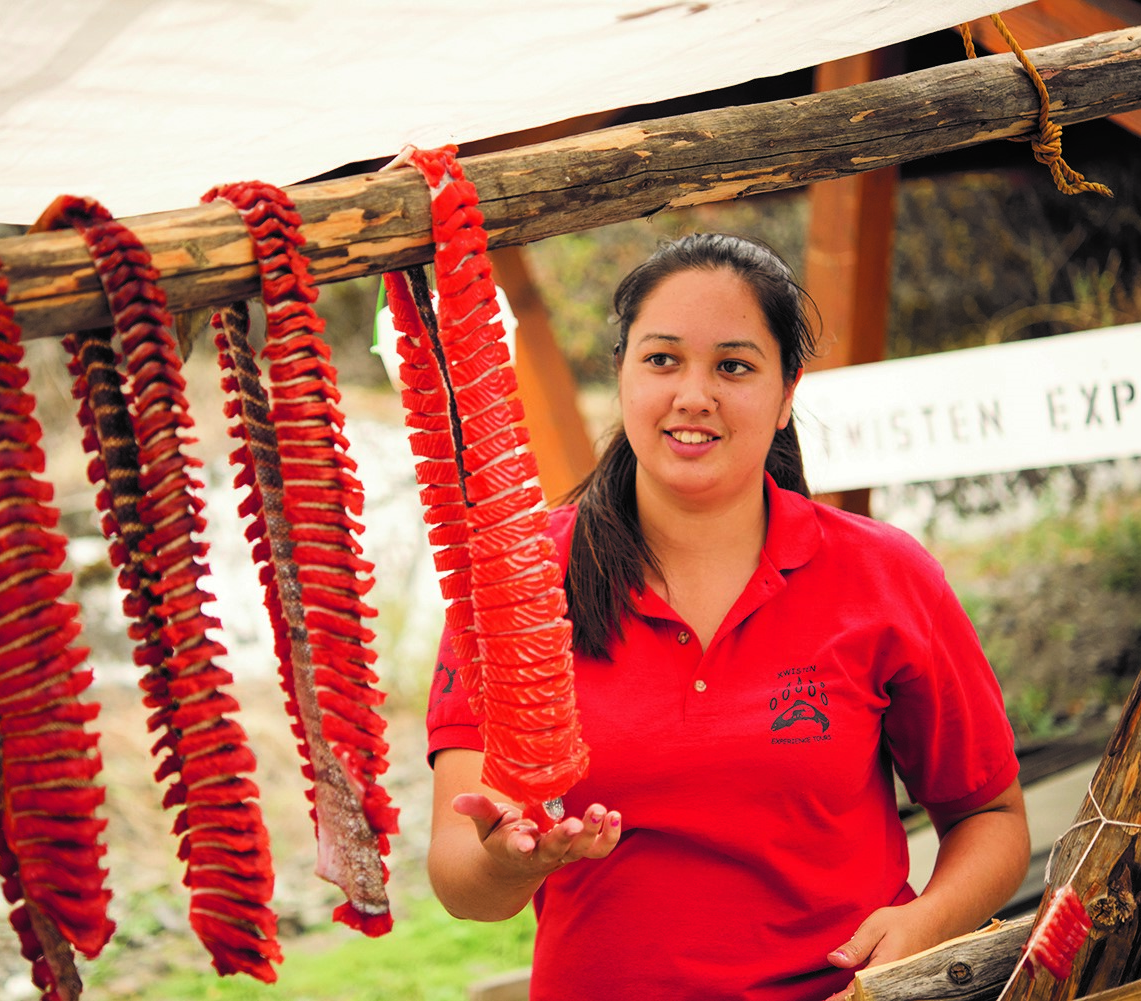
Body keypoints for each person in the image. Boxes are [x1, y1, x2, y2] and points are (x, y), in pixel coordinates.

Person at [425, 233, 1030, 1001]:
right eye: (662, 359)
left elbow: (991, 813)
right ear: (620, 374)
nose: (694, 395)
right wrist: (508, 863)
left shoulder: (884, 574)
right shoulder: (516, 582)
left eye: (734, 366)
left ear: (786, 395)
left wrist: (928, 922)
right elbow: (460, 879)